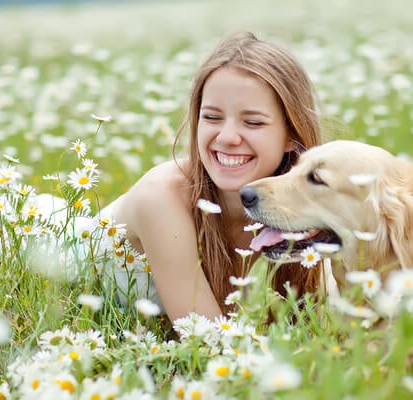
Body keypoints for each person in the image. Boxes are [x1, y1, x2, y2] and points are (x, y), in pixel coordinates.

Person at [107, 31, 324, 322]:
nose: (227, 137)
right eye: (211, 117)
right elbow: (207, 342)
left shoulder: (309, 207)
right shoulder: (160, 198)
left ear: (291, 134)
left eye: (253, 122)